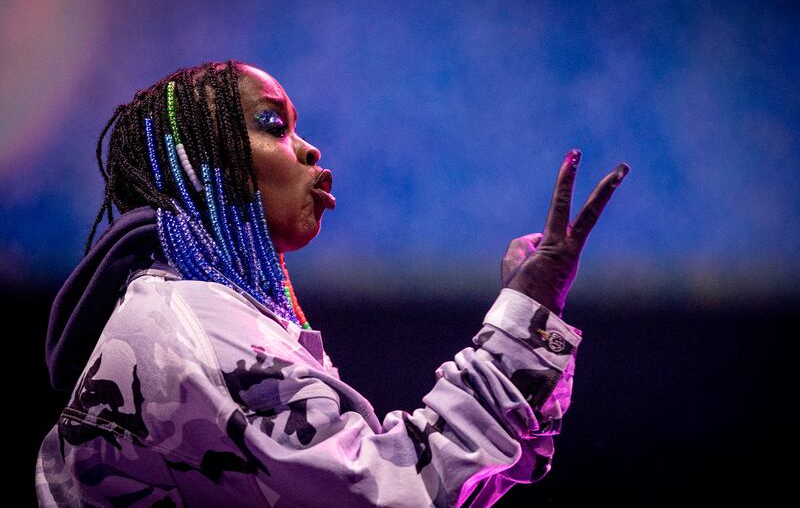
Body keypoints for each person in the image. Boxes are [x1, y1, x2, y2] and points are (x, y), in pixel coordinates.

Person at [34, 59, 629, 507]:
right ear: (202, 162)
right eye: (274, 125)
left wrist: (529, 319)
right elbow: (396, 489)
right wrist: (524, 316)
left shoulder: (200, 315)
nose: (310, 148)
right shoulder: (190, 326)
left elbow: (462, 480)